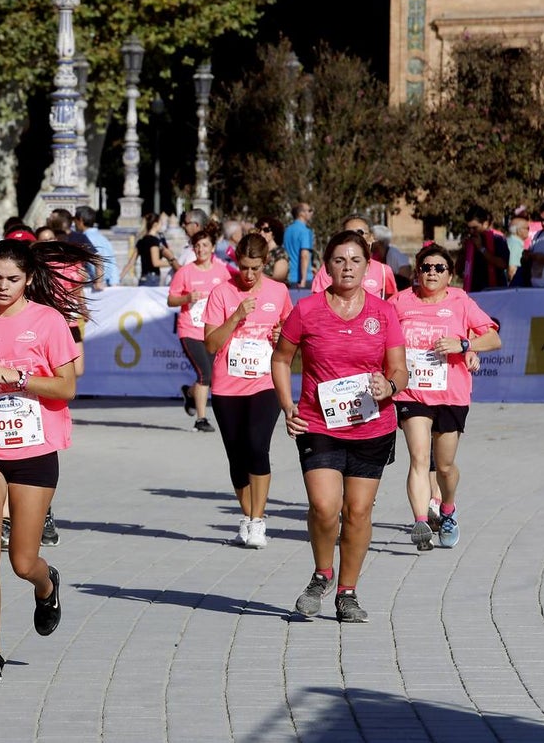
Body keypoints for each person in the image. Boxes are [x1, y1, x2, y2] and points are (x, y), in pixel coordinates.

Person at [0, 238, 99, 685]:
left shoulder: (47, 321)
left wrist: (19, 376)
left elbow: (67, 388)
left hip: (35, 448)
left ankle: (46, 583)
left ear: (28, 279)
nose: (3, 286)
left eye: (13, 278)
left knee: (21, 560)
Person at [272, 230, 407, 623]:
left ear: (369, 266)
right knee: (325, 507)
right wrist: (286, 405)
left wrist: (391, 384)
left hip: (373, 425)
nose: (347, 268)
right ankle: (321, 573)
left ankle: (347, 592)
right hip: (319, 422)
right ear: (326, 265)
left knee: (359, 511)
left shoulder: (383, 313)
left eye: (355, 261)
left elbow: (400, 369)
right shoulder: (307, 310)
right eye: (339, 260)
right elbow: (281, 359)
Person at [390, 245, 500, 550]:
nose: (432, 273)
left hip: (451, 394)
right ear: (417, 271)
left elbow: (494, 338)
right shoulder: (400, 302)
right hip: (412, 393)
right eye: (426, 267)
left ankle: (448, 509)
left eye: (439, 268)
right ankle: (421, 522)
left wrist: (466, 345)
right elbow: (380, 337)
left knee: (446, 465)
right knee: (419, 458)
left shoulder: (460, 301)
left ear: (450, 274)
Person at [203, 233, 293, 549]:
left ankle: (258, 521)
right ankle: (247, 515)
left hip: (264, 383)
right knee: (237, 457)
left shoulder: (279, 292)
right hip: (228, 386)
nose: (249, 274)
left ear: (265, 263)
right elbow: (211, 344)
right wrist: (237, 315)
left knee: (258, 446)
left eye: (255, 268)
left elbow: (292, 340)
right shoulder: (222, 292)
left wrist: (283, 335)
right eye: (243, 267)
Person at [168, 230, 231, 432]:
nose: (200, 249)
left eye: (204, 245)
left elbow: (231, 293)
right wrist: (187, 298)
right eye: (197, 246)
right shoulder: (185, 272)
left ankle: (190, 393)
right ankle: (201, 419)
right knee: (205, 373)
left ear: (212, 247)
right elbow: (171, 300)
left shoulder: (222, 271)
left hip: (212, 331)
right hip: (190, 330)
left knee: (211, 375)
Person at [311, 215, 398, 299]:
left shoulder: (383, 270)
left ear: (371, 237)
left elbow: (391, 301)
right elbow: (317, 301)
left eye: (360, 232)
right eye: (349, 233)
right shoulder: (329, 269)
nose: (355, 237)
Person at [455, 204, 509, 292]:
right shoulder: (469, 242)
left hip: (495, 290)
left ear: (485, 224)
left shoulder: (498, 240)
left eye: (475, 228)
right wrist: (464, 251)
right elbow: (458, 270)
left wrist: (481, 248)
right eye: (469, 228)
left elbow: (503, 264)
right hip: (474, 291)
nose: (471, 231)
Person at [124, 212, 177, 287]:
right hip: (152, 278)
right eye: (160, 223)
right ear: (155, 224)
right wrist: (173, 263)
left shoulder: (141, 241)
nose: (161, 226)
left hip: (143, 277)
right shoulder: (153, 241)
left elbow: (130, 263)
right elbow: (156, 262)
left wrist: (119, 277)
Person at [74, 206, 117, 289]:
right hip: (108, 285)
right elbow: (113, 262)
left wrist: (98, 281)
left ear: (80, 220)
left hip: (95, 286)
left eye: (75, 220)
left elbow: (96, 261)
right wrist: (114, 283)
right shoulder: (103, 238)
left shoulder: (84, 239)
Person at [371, 224, 412, 291]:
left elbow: (406, 275)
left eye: (371, 238)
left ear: (377, 241)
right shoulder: (376, 255)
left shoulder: (394, 254)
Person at [284, 202, 316, 288]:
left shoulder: (287, 230)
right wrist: (303, 280)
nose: (311, 213)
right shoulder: (305, 231)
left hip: (288, 278)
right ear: (301, 213)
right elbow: (304, 256)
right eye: (309, 210)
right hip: (302, 280)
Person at [255, 216, 290, 283]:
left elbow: (279, 279)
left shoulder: (280, 253)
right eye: (259, 229)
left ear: (274, 232)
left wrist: (258, 276)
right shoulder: (258, 251)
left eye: (266, 230)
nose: (261, 232)